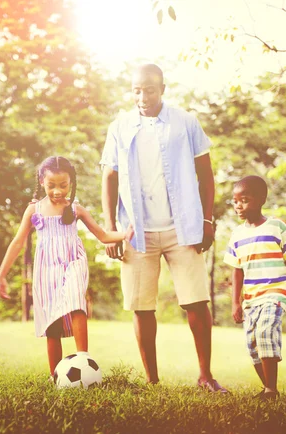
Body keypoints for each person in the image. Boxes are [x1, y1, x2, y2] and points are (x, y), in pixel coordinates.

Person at [100, 63, 226, 391]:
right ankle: (152, 381)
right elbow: (109, 177)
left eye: (150, 90)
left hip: (183, 228)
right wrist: (110, 228)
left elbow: (206, 175)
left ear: (163, 89)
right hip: (135, 231)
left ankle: (205, 376)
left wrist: (207, 219)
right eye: (136, 90)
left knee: (196, 301)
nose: (143, 96)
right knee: (141, 306)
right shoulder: (120, 126)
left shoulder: (186, 122)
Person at [0, 156, 133, 378]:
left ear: (71, 183)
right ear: (42, 182)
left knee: (76, 302)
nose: (58, 191)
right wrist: (2, 273)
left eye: (63, 185)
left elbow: (103, 235)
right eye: (52, 186)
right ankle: (55, 375)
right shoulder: (34, 210)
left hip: (73, 262)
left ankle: (83, 359)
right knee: (52, 323)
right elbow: (18, 241)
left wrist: (125, 234)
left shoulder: (76, 209)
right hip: (46, 268)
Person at [224, 175, 286, 400]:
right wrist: (236, 302)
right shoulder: (236, 235)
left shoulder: (277, 226)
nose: (238, 205)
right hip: (251, 298)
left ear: (261, 199)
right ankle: (269, 388)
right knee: (252, 343)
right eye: (235, 201)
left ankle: (271, 390)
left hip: (276, 291)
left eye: (244, 200)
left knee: (266, 331)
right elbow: (236, 271)